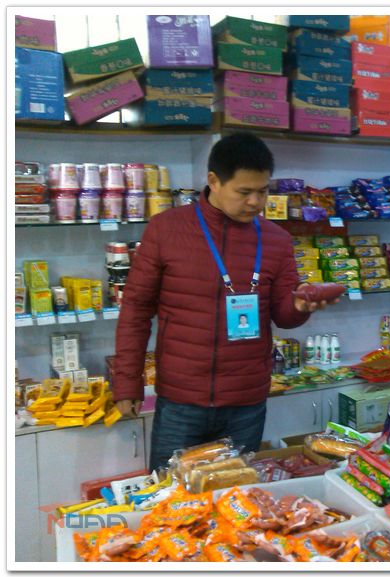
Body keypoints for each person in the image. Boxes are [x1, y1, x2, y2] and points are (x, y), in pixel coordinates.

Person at [112, 133, 339, 471]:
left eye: (262, 191)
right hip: (181, 399)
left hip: (246, 401)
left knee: (238, 491)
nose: (255, 202)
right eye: (244, 192)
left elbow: (283, 315)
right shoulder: (166, 230)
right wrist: (127, 382)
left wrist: (300, 307)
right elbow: (135, 310)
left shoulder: (276, 240)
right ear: (214, 181)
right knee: (170, 492)